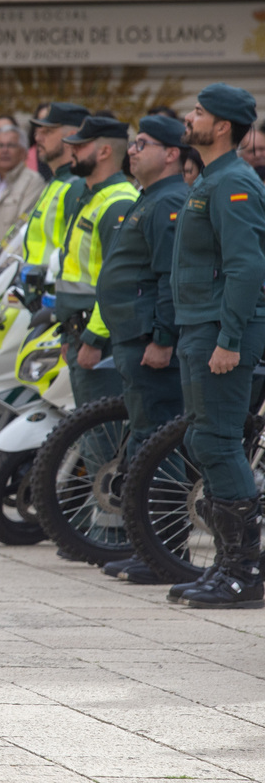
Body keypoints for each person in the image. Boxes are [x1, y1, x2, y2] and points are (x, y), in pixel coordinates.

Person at [169, 84, 265, 609]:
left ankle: (243, 575)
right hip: (200, 326)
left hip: (222, 330)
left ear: (222, 125)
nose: (189, 117)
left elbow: (247, 266)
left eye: (199, 112)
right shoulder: (211, 180)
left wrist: (229, 338)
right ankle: (229, 567)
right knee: (206, 440)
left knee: (221, 441)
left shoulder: (233, 183)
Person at [84, 114, 189, 586]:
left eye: (142, 143)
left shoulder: (169, 203)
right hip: (133, 337)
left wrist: (163, 339)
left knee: (157, 445)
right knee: (146, 440)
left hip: (149, 341)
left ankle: (164, 550)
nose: (132, 149)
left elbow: (171, 278)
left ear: (171, 153)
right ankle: (146, 545)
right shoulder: (149, 199)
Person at [56, 117, 138, 407]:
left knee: (101, 438)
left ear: (104, 152)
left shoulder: (118, 203)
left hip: (100, 338)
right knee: (89, 432)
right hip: (81, 331)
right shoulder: (92, 197)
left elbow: (117, 280)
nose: (72, 150)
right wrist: (69, 333)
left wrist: (93, 338)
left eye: (80, 145)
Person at [24, 103, 90, 273]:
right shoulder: (57, 181)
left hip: (53, 292)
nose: (38, 138)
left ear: (72, 137)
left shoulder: (77, 185)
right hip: (38, 291)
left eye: (48, 132)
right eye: (38, 131)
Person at [0, 124, 46, 254]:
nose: (4, 150)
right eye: (0, 146)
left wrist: (4, 270)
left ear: (24, 152)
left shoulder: (34, 183)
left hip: (10, 269)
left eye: (11, 145)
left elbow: (23, 232)